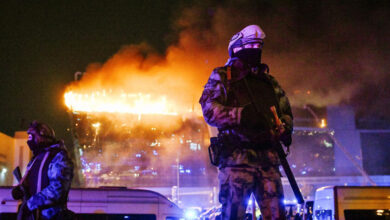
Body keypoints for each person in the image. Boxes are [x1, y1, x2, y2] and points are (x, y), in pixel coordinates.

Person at [199, 25, 293, 220]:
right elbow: (209, 110)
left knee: (277, 216)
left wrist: (284, 128)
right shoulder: (223, 77)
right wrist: (241, 115)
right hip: (236, 161)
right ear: (236, 48)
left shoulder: (269, 82)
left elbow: (286, 112)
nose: (255, 50)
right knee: (233, 215)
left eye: (258, 46)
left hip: (268, 161)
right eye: (249, 45)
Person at [12, 121, 74, 220]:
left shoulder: (59, 156)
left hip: (52, 216)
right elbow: (29, 183)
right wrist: (19, 190)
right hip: (33, 216)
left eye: (32, 136)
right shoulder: (36, 159)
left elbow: (57, 189)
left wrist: (30, 204)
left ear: (43, 135)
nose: (29, 140)